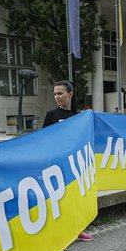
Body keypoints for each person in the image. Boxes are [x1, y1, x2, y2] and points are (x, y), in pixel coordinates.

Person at [42, 80, 95, 240]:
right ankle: (61, 237)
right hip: (57, 165)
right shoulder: (51, 115)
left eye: (60, 93)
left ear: (70, 94)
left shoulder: (80, 116)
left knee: (75, 199)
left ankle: (77, 230)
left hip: (75, 163)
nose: (57, 97)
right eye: (55, 94)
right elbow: (42, 140)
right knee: (60, 201)